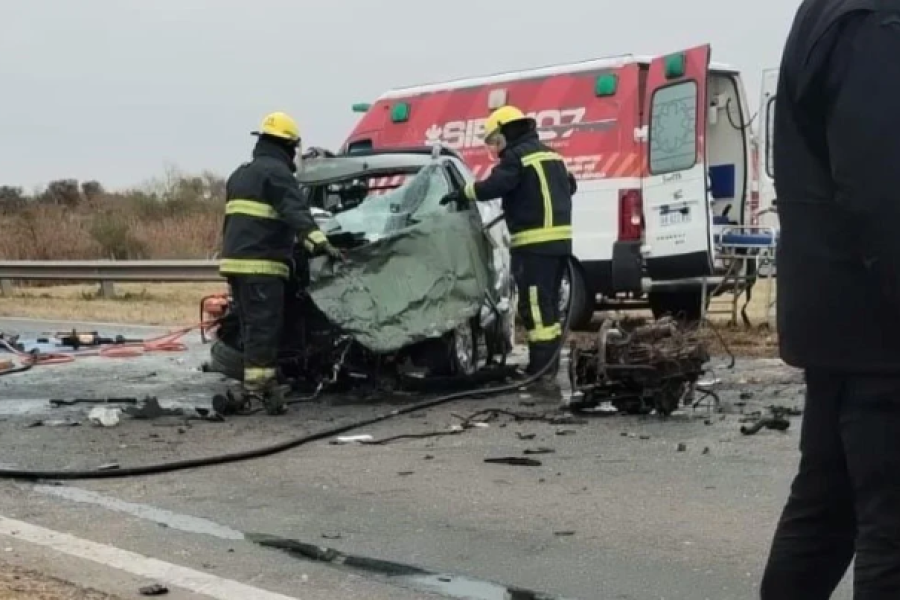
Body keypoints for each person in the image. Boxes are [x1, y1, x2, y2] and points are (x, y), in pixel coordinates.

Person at [761, 1, 900, 597]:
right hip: (880, 329)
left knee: (826, 513)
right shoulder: (876, 21)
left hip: (843, 323)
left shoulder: (837, 12)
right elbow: (883, 190)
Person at [440, 105, 576, 388]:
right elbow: (570, 185)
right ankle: (546, 366)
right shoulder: (551, 154)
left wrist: (462, 192)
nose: (495, 148)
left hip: (534, 245)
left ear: (506, 132)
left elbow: (493, 186)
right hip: (560, 244)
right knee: (548, 308)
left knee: (537, 309)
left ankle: (541, 370)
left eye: (494, 140)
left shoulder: (515, 157)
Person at [218, 111, 342, 416]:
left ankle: (258, 382)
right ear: (288, 145)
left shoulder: (241, 173)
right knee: (264, 327)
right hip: (262, 265)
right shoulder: (277, 174)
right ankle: (258, 388)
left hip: (236, 263)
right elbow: (297, 214)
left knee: (251, 326)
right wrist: (321, 244)